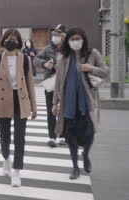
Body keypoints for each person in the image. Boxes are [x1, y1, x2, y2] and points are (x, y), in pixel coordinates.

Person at [52, 28, 108, 180]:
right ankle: (75, 167)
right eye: (72, 39)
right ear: (68, 41)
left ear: (83, 40)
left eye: (78, 38)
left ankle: (86, 154)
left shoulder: (92, 54)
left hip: (87, 103)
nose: (75, 42)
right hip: (69, 105)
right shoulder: (64, 58)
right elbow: (58, 82)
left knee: (89, 135)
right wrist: (55, 103)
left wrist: (91, 68)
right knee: (71, 138)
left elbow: (105, 71)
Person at [0, 28, 37, 187]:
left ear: (19, 42)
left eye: (14, 40)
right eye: (8, 39)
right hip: (2, 101)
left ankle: (16, 171)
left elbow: (30, 85)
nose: (11, 42)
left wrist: (34, 107)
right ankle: (6, 158)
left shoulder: (25, 59)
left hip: (20, 100)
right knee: (4, 137)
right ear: (3, 41)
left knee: (20, 138)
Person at [34, 24, 67, 148]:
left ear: (64, 36)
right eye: (54, 34)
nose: (55, 36)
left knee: (64, 110)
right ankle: (52, 137)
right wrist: (45, 63)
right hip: (51, 84)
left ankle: (63, 135)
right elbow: (35, 59)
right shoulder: (48, 49)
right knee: (51, 111)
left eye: (58, 34)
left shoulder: (68, 50)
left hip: (64, 84)